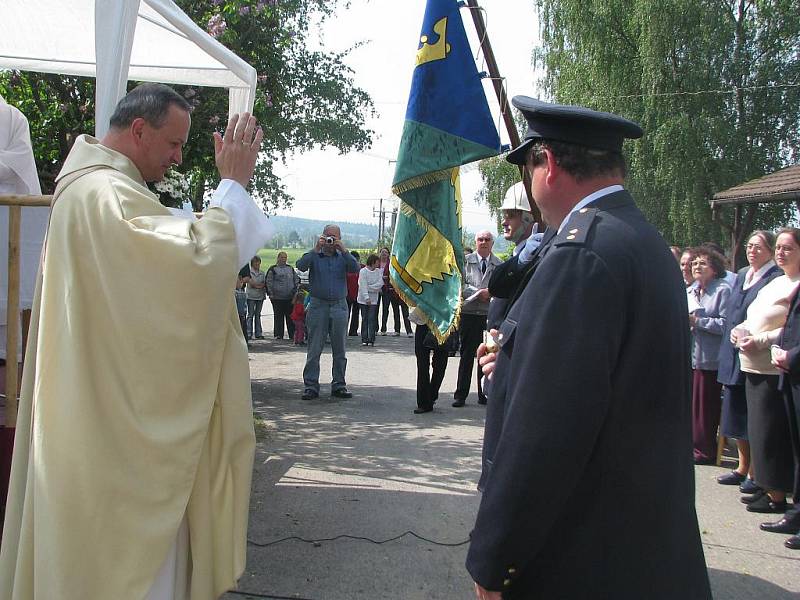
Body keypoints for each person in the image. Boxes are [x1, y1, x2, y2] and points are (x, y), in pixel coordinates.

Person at [0, 83, 270, 599]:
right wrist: (232, 185)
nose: (177, 157)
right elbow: (190, 268)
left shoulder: (97, 191)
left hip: (89, 416)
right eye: (172, 143)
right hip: (108, 442)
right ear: (139, 129)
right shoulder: (103, 194)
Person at [466, 97, 711, 599]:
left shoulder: (581, 252)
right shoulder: (638, 239)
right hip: (637, 540)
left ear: (548, 164)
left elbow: (548, 429)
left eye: (529, 166)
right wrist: (512, 363)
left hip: (583, 551)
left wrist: (495, 557)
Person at [734, 228, 799, 514]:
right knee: (759, 432)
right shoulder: (775, 283)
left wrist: (759, 340)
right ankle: (767, 486)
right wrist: (740, 330)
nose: (781, 253)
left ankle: (777, 494)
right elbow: (754, 314)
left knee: (773, 434)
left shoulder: (795, 285)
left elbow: (789, 329)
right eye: (779, 248)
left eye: (788, 248)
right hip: (752, 365)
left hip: (774, 367)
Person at [716, 231, 780, 491]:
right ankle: (742, 466)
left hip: (756, 355)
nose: (752, 251)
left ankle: (756, 471)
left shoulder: (773, 278)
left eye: (759, 247)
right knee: (735, 411)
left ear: (770, 250)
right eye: (750, 246)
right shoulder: (743, 274)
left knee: (753, 416)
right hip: (732, 350)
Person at [296, 224, 359, 400]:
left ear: (339, 238)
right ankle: (311, 386)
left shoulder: (343, 257)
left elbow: (355, 268)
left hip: (339, 305)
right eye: (327, 236)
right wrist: (316, 248)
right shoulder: (315, 256)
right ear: (322, 236)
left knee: (340, 349)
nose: (330, 241)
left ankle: (339, 385)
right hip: (318, 305)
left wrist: (344, 250)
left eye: (334, 237)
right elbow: (300, 266)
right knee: (314, 348)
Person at [687, 246, 731, 464]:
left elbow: (725, 324)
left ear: (714, 269)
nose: (697, 266)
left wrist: (698, 322)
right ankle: (693, 445)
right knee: (692, 405)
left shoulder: (722, 290)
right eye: (694, 263)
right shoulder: (691, 290)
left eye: (702, 263)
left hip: (711, 358)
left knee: (706, 408)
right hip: (692, 355)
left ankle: (705, 450)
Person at [769, 250, 800, 550]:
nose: (782, 253)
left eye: (789, 247)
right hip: (792, 375)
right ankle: (797, 512)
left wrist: (791, 355)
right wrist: (781, 348)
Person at [453, 230, 500, 407]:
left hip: (489, 315)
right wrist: (478, 293)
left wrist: (491, 293)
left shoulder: (499, 264)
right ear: (475, 242)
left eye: (487, 239)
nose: (483, 242)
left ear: (492, 243)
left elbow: (502, 287)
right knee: (466, 355)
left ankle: (484, 394)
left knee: (487, 355)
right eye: (480, 239)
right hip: (470, 314)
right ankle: (461, 394)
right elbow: (460, 285)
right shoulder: (465, 262)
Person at [410, 308, 452, 414]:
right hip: (423, 321)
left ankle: (432, 395)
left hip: (442, 322)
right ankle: (423, 402)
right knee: (422, 364)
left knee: (440, 365)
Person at [378, 246, 412, 336]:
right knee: (394, 311)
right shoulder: (377, 263)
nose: (384, 254)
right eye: (382, 252)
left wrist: (387, 278)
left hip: (400, 291)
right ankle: (396, 330)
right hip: (388, 290)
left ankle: (409, 331)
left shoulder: (396, 263)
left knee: (405, 312)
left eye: (386, 252)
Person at [266, 251, 299, 340]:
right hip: (277, 298)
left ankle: (292, 334)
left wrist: (296, 292)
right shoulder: (273, 269)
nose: (284, 259)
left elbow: (296, 280)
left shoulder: (290, 268)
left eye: (285, 257)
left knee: (290, 317)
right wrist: (270, 293)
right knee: (278, 316)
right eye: (282, 257)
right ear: (278, 258)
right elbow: (269, 282)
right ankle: (278, 335)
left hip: (290, 297)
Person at [356, 253, 383, 346]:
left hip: (374, 299)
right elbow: (362, 285)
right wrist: (367, 297)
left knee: (372, 318)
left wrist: (370, 287)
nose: (378, 264)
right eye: (377, 262)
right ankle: (364, 338)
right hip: (363, 299)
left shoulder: (378, 271)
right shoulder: (363, 271)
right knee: (365, 318)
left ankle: (371, 339)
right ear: (373, 262)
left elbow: (380, 284)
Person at [246, 255, 267, 339]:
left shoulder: (262, 273)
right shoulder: (249, 273)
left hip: (260, 296)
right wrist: (258, 286)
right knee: (250, 314)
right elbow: (252, 284)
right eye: (256, 262)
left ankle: (258, 333)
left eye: (258, 262)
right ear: (252, 264)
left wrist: (259, 286)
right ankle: (248, 333)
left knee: (258, 315)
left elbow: (264, 283)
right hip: (251, 296)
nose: (257, 264)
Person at [346, 250, 363, 336]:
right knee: (346, 314)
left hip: (358, 294)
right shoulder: (346, 268)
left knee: (356, 314)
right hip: (347, 294)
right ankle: (344, 330)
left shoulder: (362, 268)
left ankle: (353, 330)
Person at [235, 274, 249, 344]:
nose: (241, 283)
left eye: (241, 282)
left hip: (240, 314)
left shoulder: (241, 293)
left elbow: (244, 306)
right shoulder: (237, 293)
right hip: (239, 314)